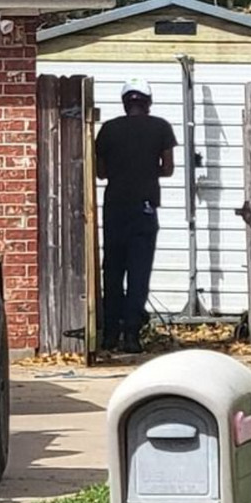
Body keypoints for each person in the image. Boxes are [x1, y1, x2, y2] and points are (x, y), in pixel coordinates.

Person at [95, 79, 176, 354]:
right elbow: (168, 169)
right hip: (144, 209)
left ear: (125, 102)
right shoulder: (161, 128)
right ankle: (132, 335)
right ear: (148, 102)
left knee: (113, 271)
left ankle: (110, 335)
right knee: (139, 273)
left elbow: (101, 172)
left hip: (115, 208)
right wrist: (148, 168)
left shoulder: (108, 129)